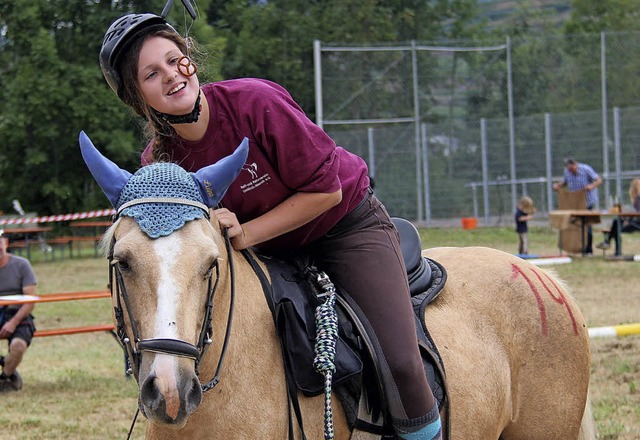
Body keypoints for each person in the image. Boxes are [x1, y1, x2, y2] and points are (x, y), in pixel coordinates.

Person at [98, 13, 441, 439]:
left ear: (190, 58)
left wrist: (247, 232)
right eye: (152, 74)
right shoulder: (160, 164)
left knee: (400, 361)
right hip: (270, 253)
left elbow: (327, 192)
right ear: (138, 96)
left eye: (174, 59)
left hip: (344, 226)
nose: (171, 76)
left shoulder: (255, 102)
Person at [0, 229, 37, 392]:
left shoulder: (22, 265)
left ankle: (5, 377)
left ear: (5, 243)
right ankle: (6, 365)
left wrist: (13, 323)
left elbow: (30, 301)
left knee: (18, 345)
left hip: (18, 314)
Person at [553, 157, 603, 255]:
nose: (570, 171)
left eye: (572, 169)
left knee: (586, 226)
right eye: (569, 169)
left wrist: (591, 186)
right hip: (574, 203)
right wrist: (558, 186)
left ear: (575, 164)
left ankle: (588, 250)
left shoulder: (586, 169)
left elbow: (598, 180)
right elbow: (565, 183)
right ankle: (577, 248)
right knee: (575, 226)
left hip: (587, 203)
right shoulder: (567, 172)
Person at [596, 177, 640, 250]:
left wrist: (628, 218)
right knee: (617, 223)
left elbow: (638, 212)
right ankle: (608, 243)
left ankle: (608, 243)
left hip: (637, 224)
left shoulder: (638, 197)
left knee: (617, 224)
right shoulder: (637, 198)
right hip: (636, 221)